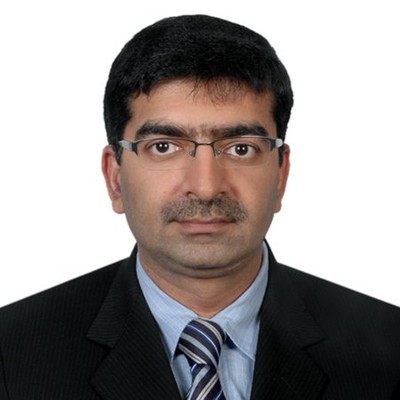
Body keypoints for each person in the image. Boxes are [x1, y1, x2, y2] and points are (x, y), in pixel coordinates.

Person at [0, 14, 399, 400]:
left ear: (281, 174)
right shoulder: (13, 354)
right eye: (163, 147)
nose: (206, 188)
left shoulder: (390, 349)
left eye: (241, 148)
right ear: (115, 177)